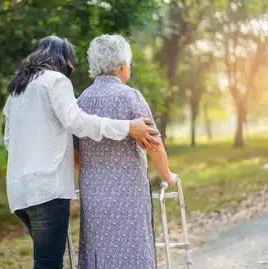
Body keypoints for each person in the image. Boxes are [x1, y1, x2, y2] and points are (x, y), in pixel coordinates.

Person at [3, 36, 159, 269]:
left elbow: (9, 140)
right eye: (70, 60)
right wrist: (127, 127)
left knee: (44, 259)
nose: (72, 67)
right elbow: (77, 122)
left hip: (19, 193)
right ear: (62, 59)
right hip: (46, 191)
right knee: (49, 263)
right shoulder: (56, 81)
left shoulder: (17, 90)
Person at [75, 34, 178, 269]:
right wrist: (167, 175)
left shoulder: (80, 102)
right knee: (133, 251)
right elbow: (155, 144)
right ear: (123, 67)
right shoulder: (130, 96)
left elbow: (76, 154)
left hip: (94, 195)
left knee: (99, 251)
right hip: (128, 192)